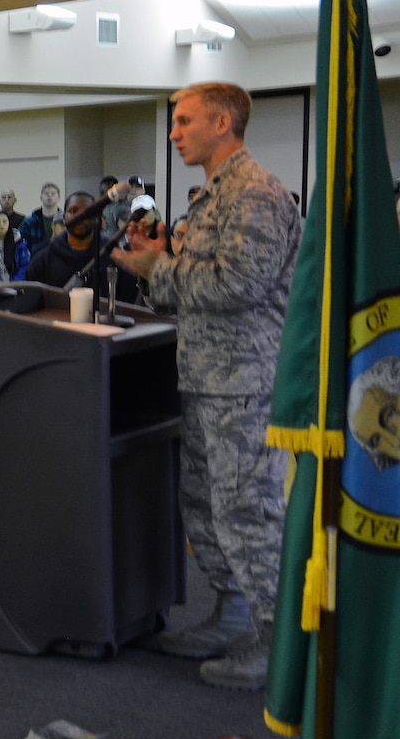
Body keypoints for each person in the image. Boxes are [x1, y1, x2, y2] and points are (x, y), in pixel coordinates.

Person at [113, 81, 303, 690]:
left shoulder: (256, 195)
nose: (174, 133)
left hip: (244, 386)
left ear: (223, 123)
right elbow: (191, 281)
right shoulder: (214, 195)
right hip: (203, 378)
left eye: (184, 121)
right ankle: (233, 614)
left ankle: (279, 645)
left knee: (249, 512)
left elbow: (235, 286)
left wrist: (158, 266)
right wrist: (158, 260)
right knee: (204, 504)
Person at [24, 190, 100, 287]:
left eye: (87, 211)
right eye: (73, 211)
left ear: (97, 217)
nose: (81, 216)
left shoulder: (112, 256)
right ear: (64, 218)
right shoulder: (42, 259)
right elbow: (30, 298)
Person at [19, 182, 63, 255]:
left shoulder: (65, 221)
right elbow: (22, 243)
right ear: (41, 197)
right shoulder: (29, 221)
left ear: (59, 197)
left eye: (53, 193)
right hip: (37, 260)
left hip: (60, 259)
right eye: (46, 193)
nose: (49, 196)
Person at [0, 210, 26, 283]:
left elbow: (24, 266)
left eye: (4, 221)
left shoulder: (19, 243)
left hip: (16, 286)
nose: (1, 225)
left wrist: (15, 283)